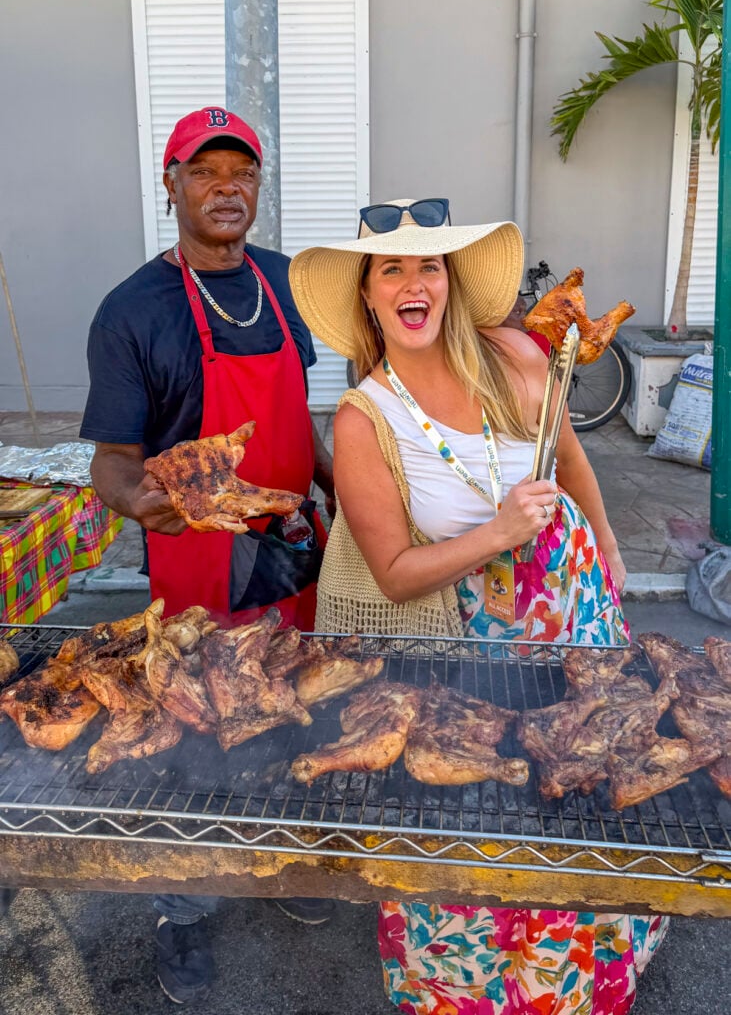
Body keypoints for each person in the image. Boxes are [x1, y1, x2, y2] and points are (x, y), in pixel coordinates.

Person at [288, 199, 667, 1014]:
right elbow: (392, 572)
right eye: (391, 269)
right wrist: (498, 532)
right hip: (469, 652)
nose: (412, 282)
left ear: (452, 283)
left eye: (429, 265)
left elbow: (565, 455)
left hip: (581, 621)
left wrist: (602, 540)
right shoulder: (366, 419)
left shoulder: (513, 354)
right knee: (481, 814)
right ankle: (472, 990)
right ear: (367, 295)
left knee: (589, 800)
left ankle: (579, 978)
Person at [80, 106, 336, 1005]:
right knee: (195, 733)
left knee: (291, 702)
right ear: (172, 183)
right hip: (197, 561)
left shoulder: (284, 281)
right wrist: (136, 501)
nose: (228, 188)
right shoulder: (134, 310)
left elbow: (294, 411)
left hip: (291, 540)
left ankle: (286, 865)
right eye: (205, 171)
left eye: (243, 173)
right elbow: (111, 456)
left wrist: (338, 487)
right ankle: (184, 907)